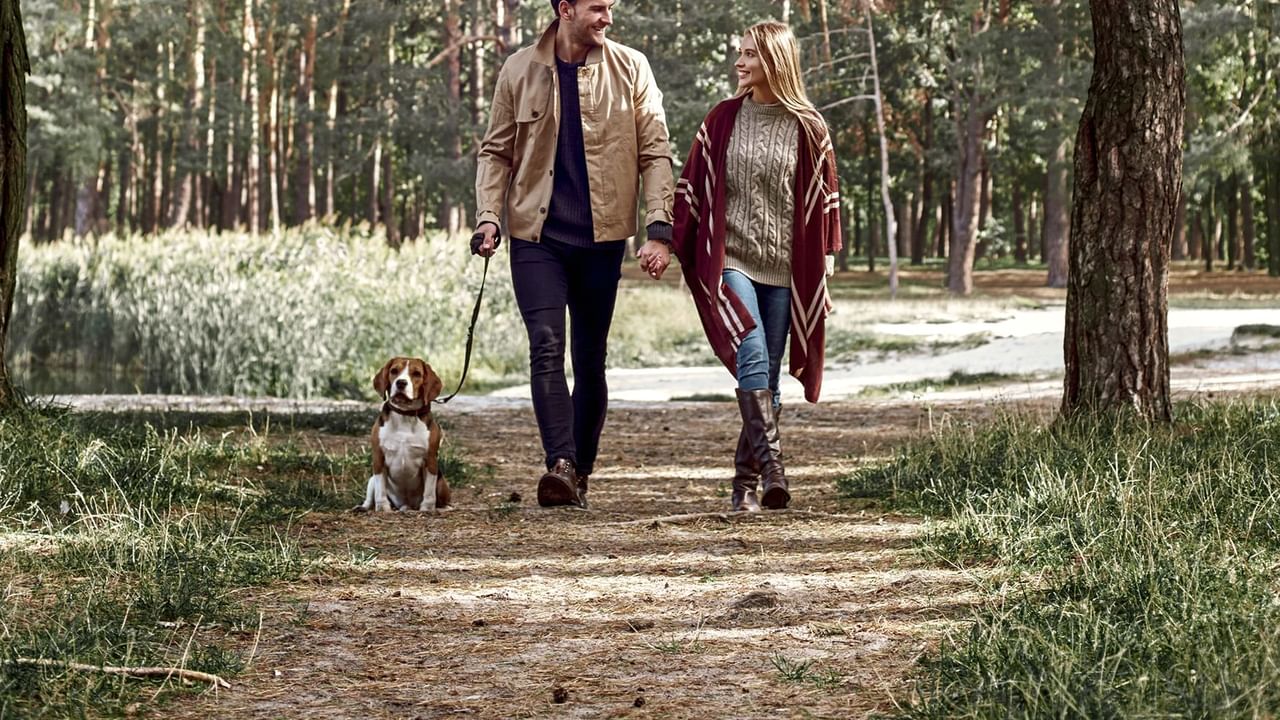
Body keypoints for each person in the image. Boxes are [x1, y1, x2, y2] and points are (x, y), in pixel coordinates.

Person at [473, 0, 676, 508]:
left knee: (590, 360)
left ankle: (580, 471)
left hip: (601, 239)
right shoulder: (519, 69)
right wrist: (489, 217)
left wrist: (658, 228)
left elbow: (655, 151)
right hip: (535, 236)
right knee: (545, 347)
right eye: (598, 8)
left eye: (611, 8)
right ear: (565, 9)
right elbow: (496, 152)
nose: (608, 18)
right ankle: (558, 464)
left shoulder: (632, 68)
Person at [667, 20, 842, 512]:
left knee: (765, 375)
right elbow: (692, 186)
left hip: (787, 270)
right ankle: (776, 474)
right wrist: (666, 241)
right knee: (753, 353)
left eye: (750, 55)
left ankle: (745, 484)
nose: (740, 63)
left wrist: (823, 270)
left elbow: (824, 200)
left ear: (775, 63)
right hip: (733, 261)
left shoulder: (809, 128)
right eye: (740, 53)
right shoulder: (722, 119)